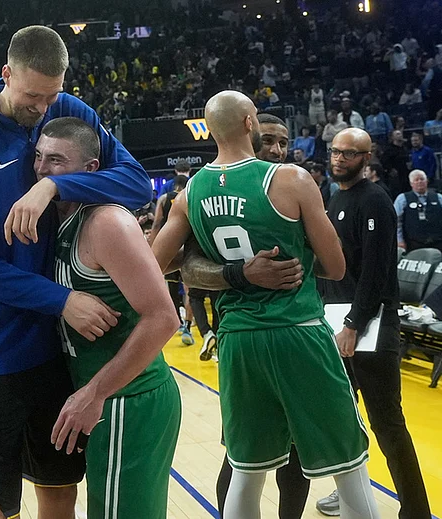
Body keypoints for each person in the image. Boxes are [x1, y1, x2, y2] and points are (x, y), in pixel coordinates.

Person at [0, 25, 151, 519]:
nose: (41, 108)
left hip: (56, 350)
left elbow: (137, 182)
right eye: (32, 95)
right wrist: (62, 301)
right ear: (6, 74)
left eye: (51, 94)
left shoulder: (66, 109)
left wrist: (52, 186)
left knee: (59, 486)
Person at [152, 91, 380, 519]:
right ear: (249, 124)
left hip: (237, 340)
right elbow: (334, 267)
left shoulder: (190, 192)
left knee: (247, 471)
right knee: (349, 465)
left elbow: (154, 264)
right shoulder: (291, 179)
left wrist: (229, 273)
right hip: (298, 332)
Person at [32, 116, 181, 518]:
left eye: (57, 160)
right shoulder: (58, 220)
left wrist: (95, 392)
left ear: (90, 170)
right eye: (39, 157)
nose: (43, 169)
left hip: (128, 398)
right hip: (101, 396)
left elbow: (165, 318)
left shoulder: (107, 222)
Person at [315, 129, 432, 519]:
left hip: (371, 328)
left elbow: (377, 274)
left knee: (388, 425)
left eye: (349, 153)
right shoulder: (335, 198)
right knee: (344, 422)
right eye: (335, 151)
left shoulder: (376, 201)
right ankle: (353, 489)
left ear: (368, 157)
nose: (339, 159)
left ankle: (415, 510)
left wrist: (353, 324)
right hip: (339, 324)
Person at [151, 174, 195, 345]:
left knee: (168, 287)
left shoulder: (164, 198)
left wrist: (152, 248)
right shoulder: (190, 198)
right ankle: (188, 325)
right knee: (189, 290)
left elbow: (156, 223)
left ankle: (173, 321)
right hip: (186, 248)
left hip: (168, 244)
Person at [393, 169, 442, 252]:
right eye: (416, 180)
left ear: (427, 181)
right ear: (411, 183)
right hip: (413, 244)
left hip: (437, 242)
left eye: (422, 179)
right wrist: (399, 240)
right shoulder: (402, 199)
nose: (419, 182)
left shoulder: (438, 197)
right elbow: (397, 222)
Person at [382, 129, 411, 198]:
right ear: (393, 137)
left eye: (400, 133)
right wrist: (390, 170)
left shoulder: (405, 148)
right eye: (397, 134)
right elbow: (384, 162)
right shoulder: (388, 150)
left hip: (406, 174)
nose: (400, 135)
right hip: (396, 177)